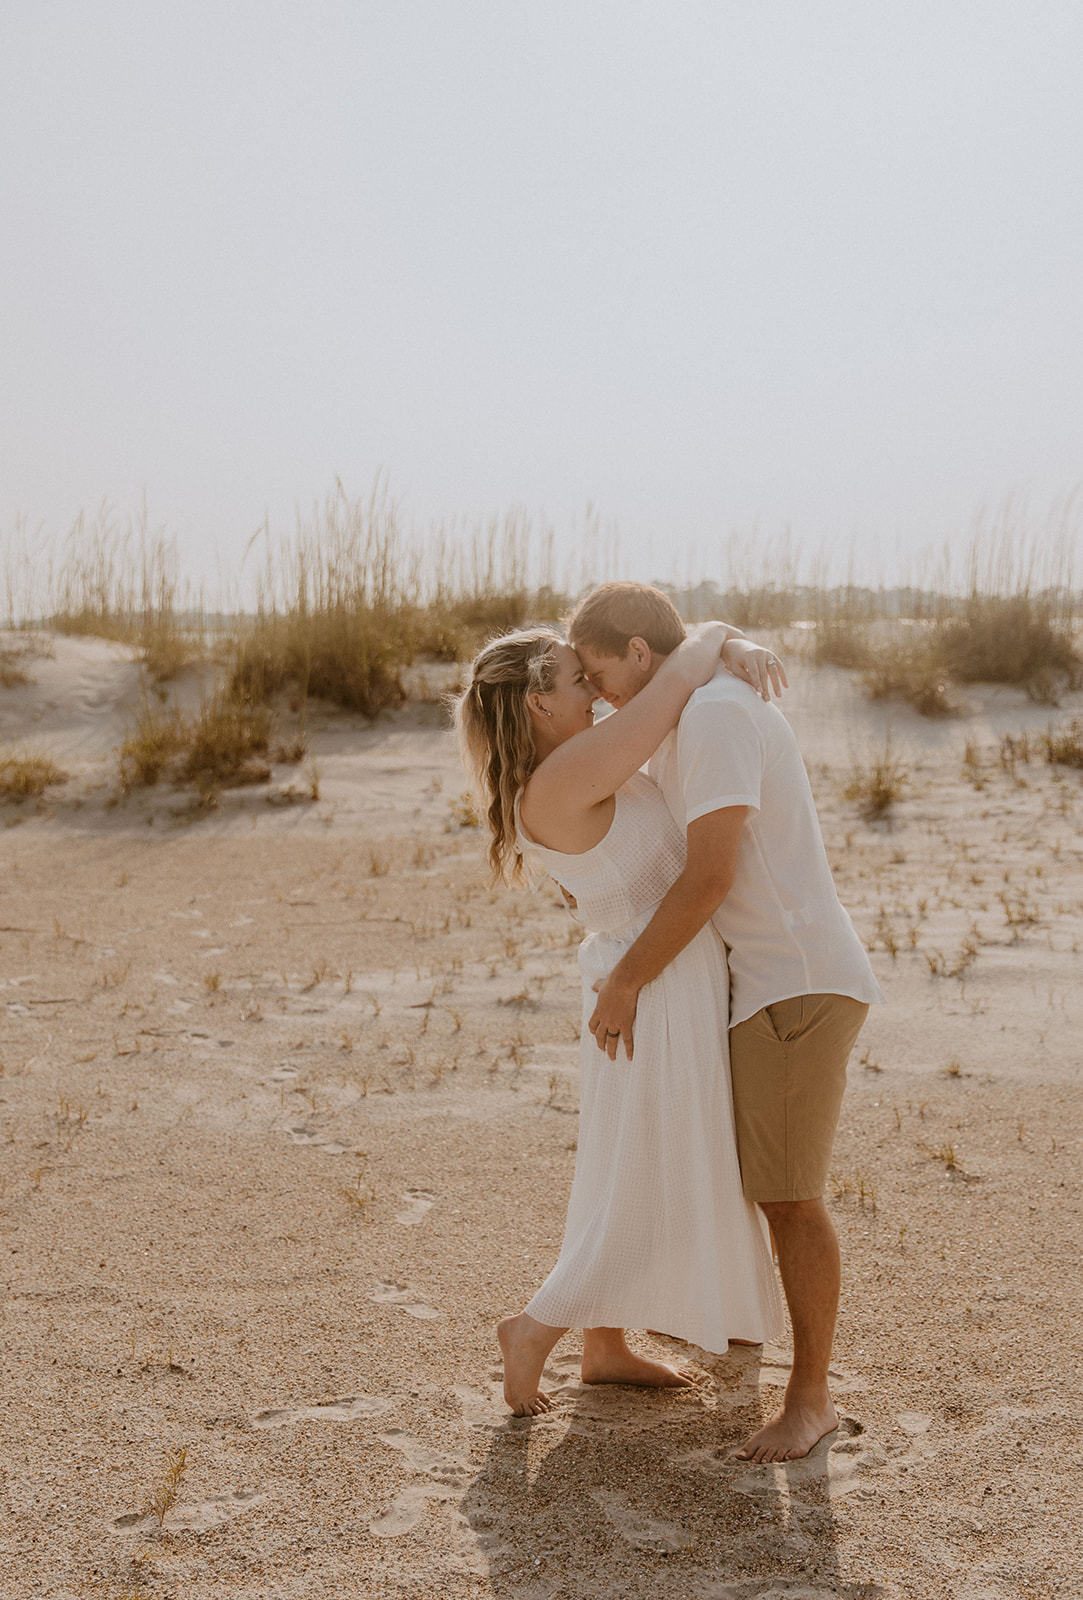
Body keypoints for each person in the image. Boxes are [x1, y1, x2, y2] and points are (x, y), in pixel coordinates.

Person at [569, 582, 884, 1463]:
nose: (598, 695)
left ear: (638, 651)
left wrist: (627, 979)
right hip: (763, 984)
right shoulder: (689, 704)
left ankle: (811, 1400)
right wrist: (725, 635)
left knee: (790, 1196)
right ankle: (732, 1338)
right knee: (760, 1179)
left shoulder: (710, 717)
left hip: (794, 980)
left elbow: (709, 877)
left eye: (600, 672)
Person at [454, 621, 787, 1417]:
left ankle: (603, 1346)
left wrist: (723, 645)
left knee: (624, 1157)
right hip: (648, 987)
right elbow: (671, 688)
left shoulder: (561, 772)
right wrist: (723, 639)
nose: (596, 694)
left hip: (650, 975)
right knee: (645, 1160)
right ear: (538, 703)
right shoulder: (566, 773)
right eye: (577, 682)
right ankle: (536, 1327)